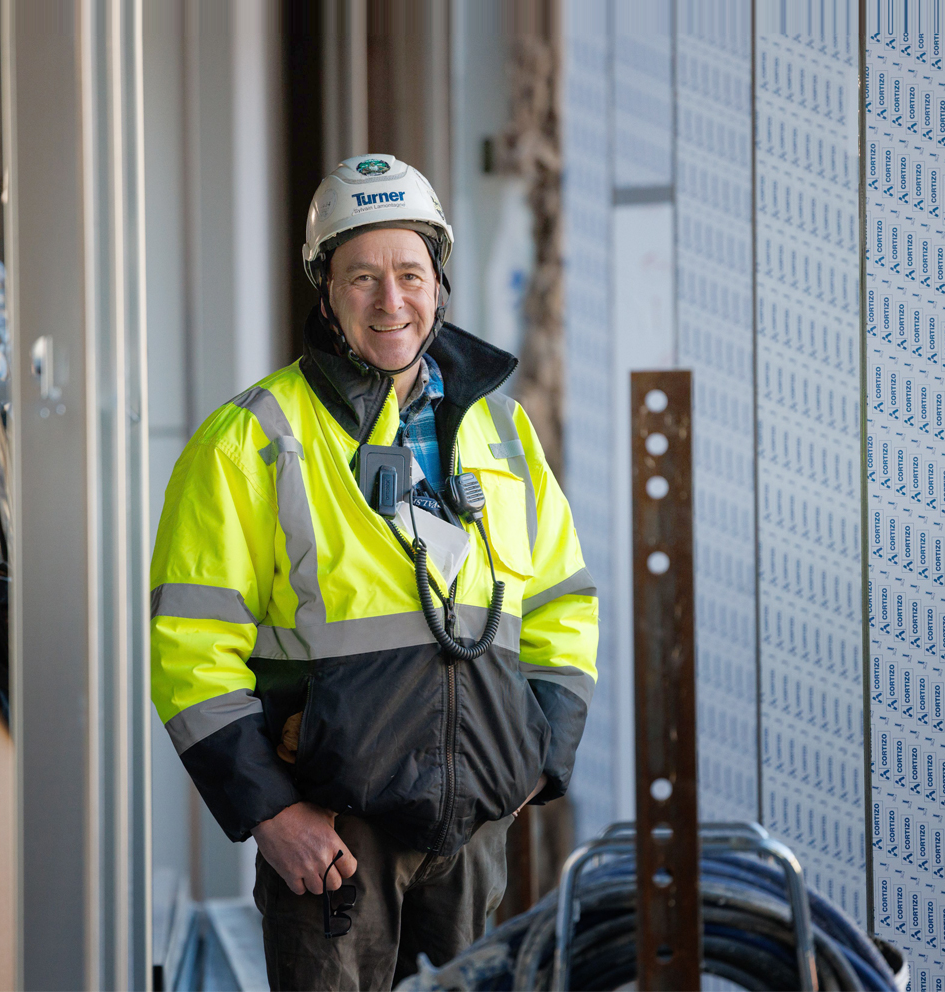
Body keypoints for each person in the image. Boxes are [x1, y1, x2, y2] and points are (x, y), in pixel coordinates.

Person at [149, 154, 598, 991]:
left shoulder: (502, 430)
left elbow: (564, 598)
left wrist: (535, 757)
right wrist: (271, 815)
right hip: (332, 845)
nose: (391, 302)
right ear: (325, 290)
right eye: (362, 277)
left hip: (472, 838)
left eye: (409, 273)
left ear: (439, 281)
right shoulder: (251, 439)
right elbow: (190, 644)